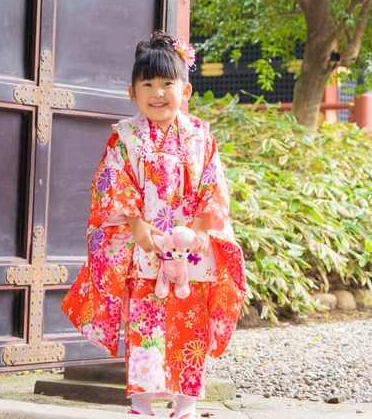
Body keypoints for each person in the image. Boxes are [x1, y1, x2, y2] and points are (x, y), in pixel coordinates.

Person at [62, 31, 246, 418]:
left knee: (189, 323)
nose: (158, 93)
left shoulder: (200, 138)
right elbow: (113, 181)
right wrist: (136, 223)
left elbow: (213, 184)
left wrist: (199, 227)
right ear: (133, 93)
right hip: (143, 243)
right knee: (145, 325)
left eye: (167, 83)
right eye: (148, 84)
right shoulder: (124, 138)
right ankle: (142, 405)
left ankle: (186, 404)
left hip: (191, 247)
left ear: (187, 89)